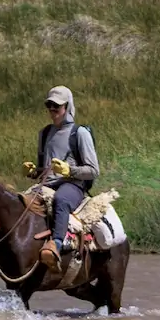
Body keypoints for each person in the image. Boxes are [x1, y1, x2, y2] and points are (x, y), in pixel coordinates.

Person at [33, 86, 100, 258]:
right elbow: (45, 170)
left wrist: (69, 170)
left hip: (73, 185)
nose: (52, 110)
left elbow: (93, 170)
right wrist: (34, 171)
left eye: (57, 106)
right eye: (49, 106)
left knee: (61, 199)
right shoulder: (45, 133)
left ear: (68, 107)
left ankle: (56, 243)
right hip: (47, 184)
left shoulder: (80, 133)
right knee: (17, 201)